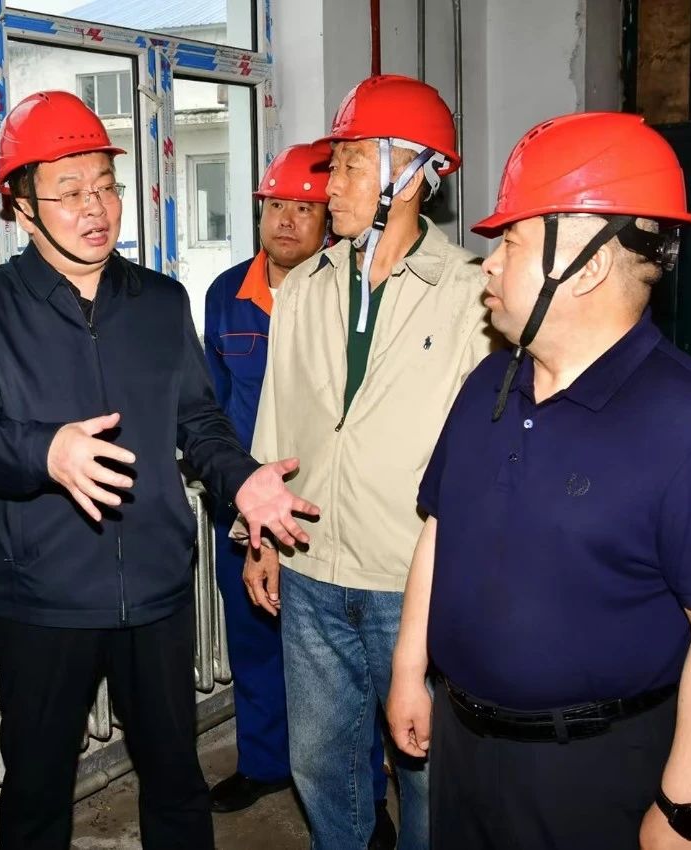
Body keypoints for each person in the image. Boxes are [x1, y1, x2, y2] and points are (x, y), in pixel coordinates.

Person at [0, 89, 317, 850]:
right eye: (70, 191)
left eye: (106, 186)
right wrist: (48, 451)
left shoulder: (160, 302)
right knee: (37, 792)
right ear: (20, 208)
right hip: (44, 597)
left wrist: (241, 478)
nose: (96, 207)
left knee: (176, 783)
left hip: (155, 588)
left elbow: (200, 421)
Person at [387, 110, 691, 850]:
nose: (488, 264)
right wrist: (408, 669)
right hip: (462, 749)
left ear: (585, 267)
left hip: (592, 772)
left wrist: (687, 812)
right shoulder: (489, 382)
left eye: (511, 242)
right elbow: (440, 530)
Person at [238, 74, 494, 850]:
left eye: (351, 164)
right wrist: (262, 537)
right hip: (310, 568)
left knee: (425, 768)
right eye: (335, 164)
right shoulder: (305, 289)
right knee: (321, 762)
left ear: (411, 174)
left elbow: (483, 460)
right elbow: (277, 416)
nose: (330, 185)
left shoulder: (470, 295)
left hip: (410, 579)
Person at [201, 140, 394, 844]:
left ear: (329, 219)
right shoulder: (226, 295)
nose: (285, 220)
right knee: (254, 643)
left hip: (326, 510)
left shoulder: (354, 295)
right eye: (275, 205)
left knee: (347, 669)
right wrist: (228, 494)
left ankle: (363, 797)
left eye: (304, 208)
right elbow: (211, 408)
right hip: (247, 509)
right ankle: (263, 763)